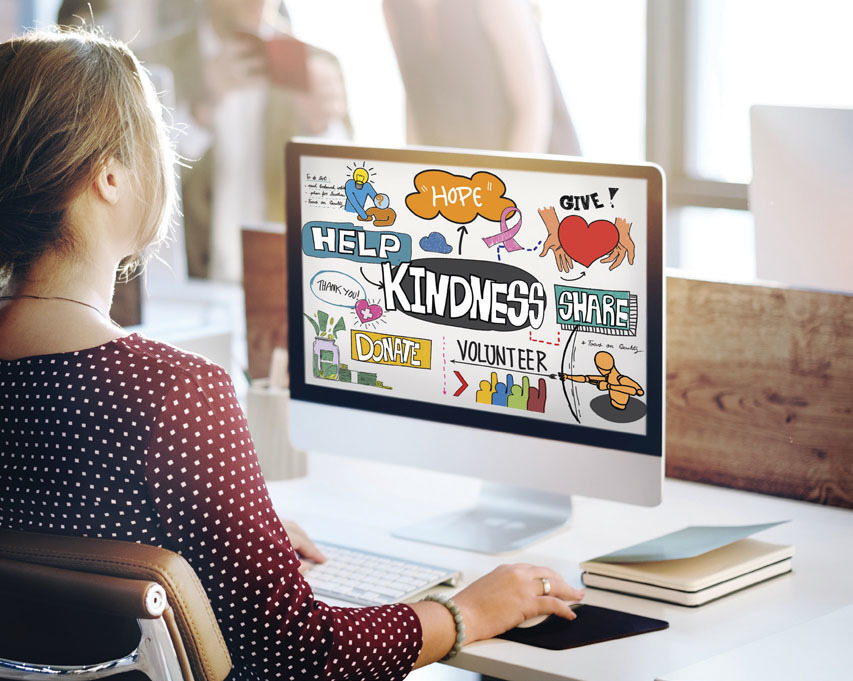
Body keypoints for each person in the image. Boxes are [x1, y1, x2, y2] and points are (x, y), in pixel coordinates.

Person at [0, 29, 584, 680]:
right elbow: (300, 653)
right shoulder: (174, 394)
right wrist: (467, 611)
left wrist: (231, 517)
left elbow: (60, 514)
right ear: (109, 176)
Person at [141, 0, 353, 282]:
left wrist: (319, 128)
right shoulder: (152, 62)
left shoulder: (316, 63)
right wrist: (200, 110)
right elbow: (141, 184)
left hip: (284, 280)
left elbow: (348, 192)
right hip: (186, 285)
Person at [383, 0, 581, 155]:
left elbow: (533, 109)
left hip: (537, 164)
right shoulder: (393, 6)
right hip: (462, 183)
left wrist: (505, 188)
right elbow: (417, 101)